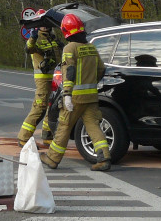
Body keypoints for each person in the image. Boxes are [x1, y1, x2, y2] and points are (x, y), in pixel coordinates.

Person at [39, 13, 111, 171]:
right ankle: (104, 158)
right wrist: (91, 83)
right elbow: (101, 69)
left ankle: (52, 158)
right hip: (91, 97)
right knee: (93, 126)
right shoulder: (91, 47)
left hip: (75, 98)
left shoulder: (69, 48)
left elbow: (69, 72)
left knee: (64, 126)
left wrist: (66, 95)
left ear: (66, 31)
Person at [16, 10, 61, 145]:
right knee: (40, 107)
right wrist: (33, 37)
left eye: (47, 23)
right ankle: (23, 138)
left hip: (55, 78)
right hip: (43, 78)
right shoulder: (36, 38)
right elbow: (29, 49)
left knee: (52, 107)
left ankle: (48, 136)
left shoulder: (52, 37)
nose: (45, 26)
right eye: (43, 24)